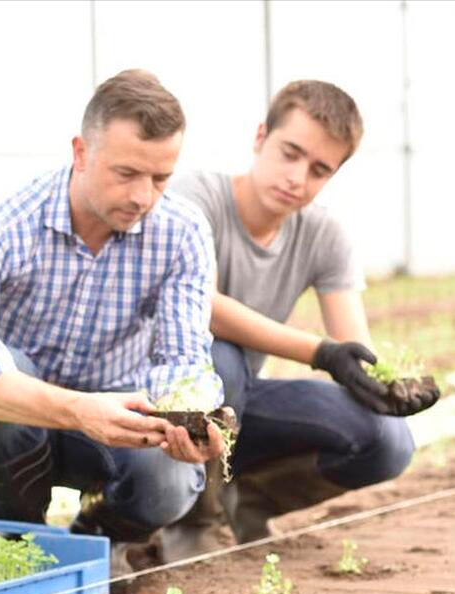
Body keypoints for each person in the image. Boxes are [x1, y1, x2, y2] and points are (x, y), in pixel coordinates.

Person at [0, 69, 225, 582]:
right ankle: (20, 538)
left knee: (172, 482)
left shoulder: (181, 233)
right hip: (19, 421)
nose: (143, 197)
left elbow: (183, 360)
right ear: (81, 153)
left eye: (160, 179)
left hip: (119, 418)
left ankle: (98, 540)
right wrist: (77, 409)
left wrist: (196, 421)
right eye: (127, 173)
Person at [160, 80, 439, 562]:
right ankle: (190, 522)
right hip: (160, 403)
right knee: (218, 359)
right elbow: (199, 306)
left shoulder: (323, 235)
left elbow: (353, 343)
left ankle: (248, 501)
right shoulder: (196, 199)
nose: (297, 177)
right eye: (290, 153)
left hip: (239, 404)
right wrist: (320, 353)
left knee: (387, 440)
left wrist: (388, 383)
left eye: (318, 170)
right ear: (260, 137)